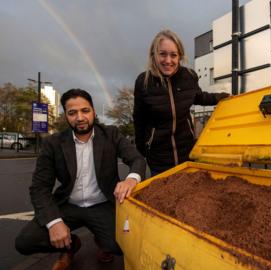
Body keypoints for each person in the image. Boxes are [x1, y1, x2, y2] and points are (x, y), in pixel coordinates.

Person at [15, 89, 145, 270]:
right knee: (25, 242)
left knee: (120, 246)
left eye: (85, 110)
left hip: (103, 204)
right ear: (66, 116)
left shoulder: (111, 134)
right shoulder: (53, 143)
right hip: (68, 205)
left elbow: (137, 159)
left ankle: (103, 242)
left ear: (93, 111)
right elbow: (39, 187)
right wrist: (55, 223)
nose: (80, 117)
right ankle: (70, 245)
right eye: (72, 113)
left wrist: (131, 180)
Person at [133, 29, 229, 176]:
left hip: (187, 152)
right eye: (162, 54)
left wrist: (225, 97)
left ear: (180, 56)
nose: (168, 60)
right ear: (154, 55)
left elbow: (200, 97)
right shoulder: (143, 82)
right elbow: (139, 119)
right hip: (159, 159)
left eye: (173, 55)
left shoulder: (189, 76)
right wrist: (143, 150)